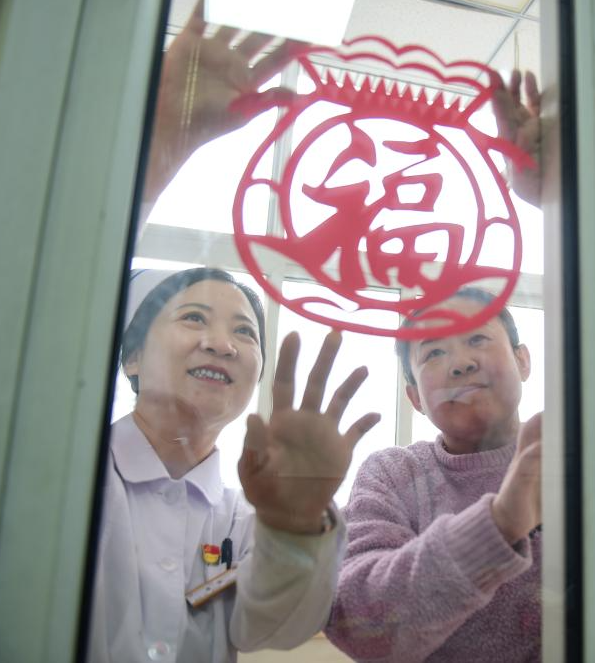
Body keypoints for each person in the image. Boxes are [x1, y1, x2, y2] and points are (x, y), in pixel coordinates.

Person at [88, 267, 380, 662]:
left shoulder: (246, 519)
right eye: (194, 317)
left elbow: (273, 629)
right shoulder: (73, 475)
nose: (223, 345)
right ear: (133, 358)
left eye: (244, 332)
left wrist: (294, 526)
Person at [324, 288, 543, 662]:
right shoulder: (394, 475)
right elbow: (358, 623)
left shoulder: (576, 454)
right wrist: (499, 524)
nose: (461, 363)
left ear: (522, 360)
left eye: (477, 338)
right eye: (434, 353)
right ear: (415, 398)